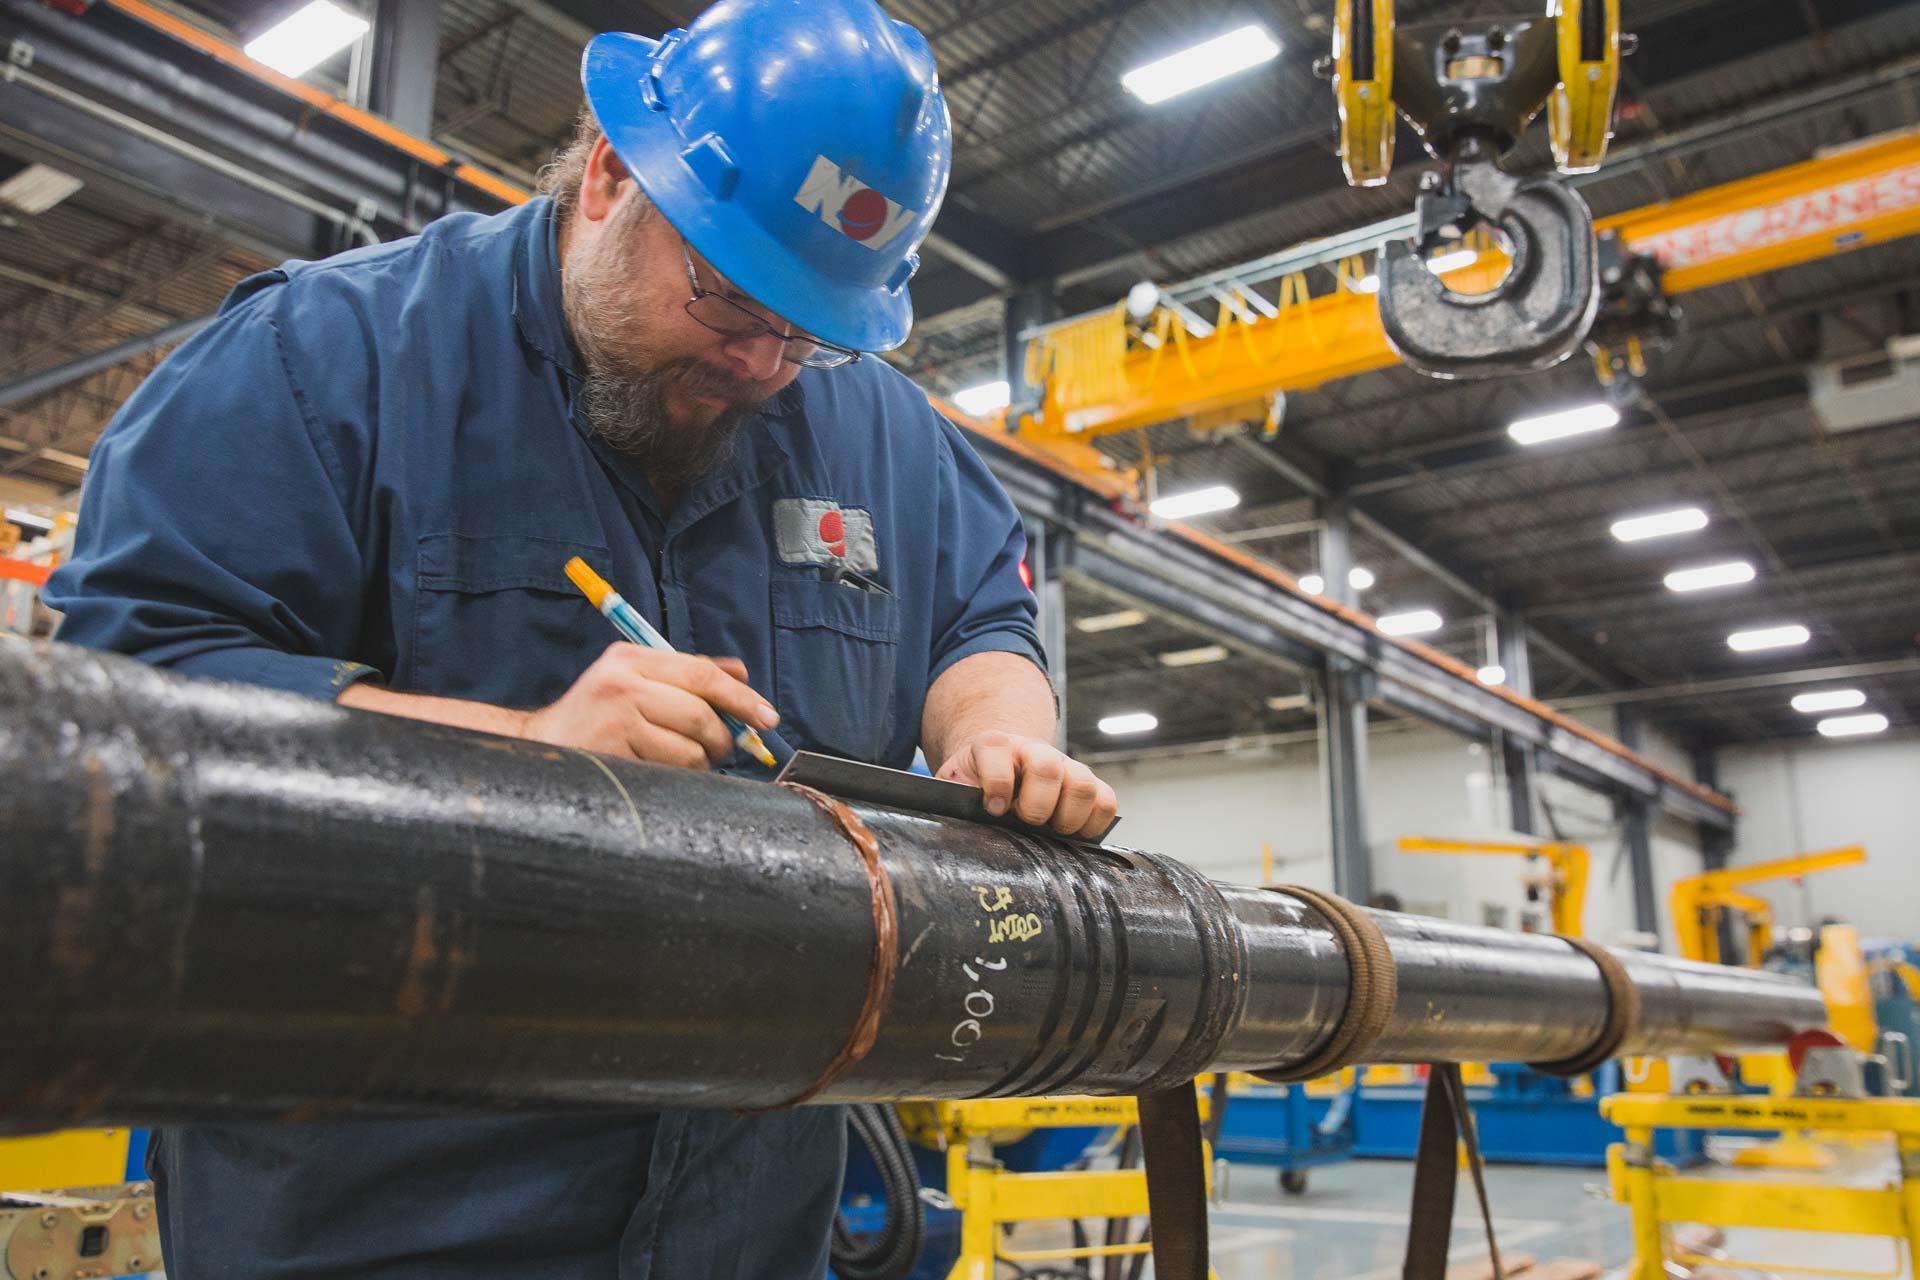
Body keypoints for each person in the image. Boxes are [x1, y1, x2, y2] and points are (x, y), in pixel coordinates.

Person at [45, 0, 1117, 1274]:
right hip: (372, 1220)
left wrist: (1002, 736)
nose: (765, 361)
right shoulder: (319, 361)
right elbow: (128, 699)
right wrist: (520, 751)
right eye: (729, 297)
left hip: (750, 1223)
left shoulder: (879, 431)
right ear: (612, 172)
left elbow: (979, 612)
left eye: (811, 331)